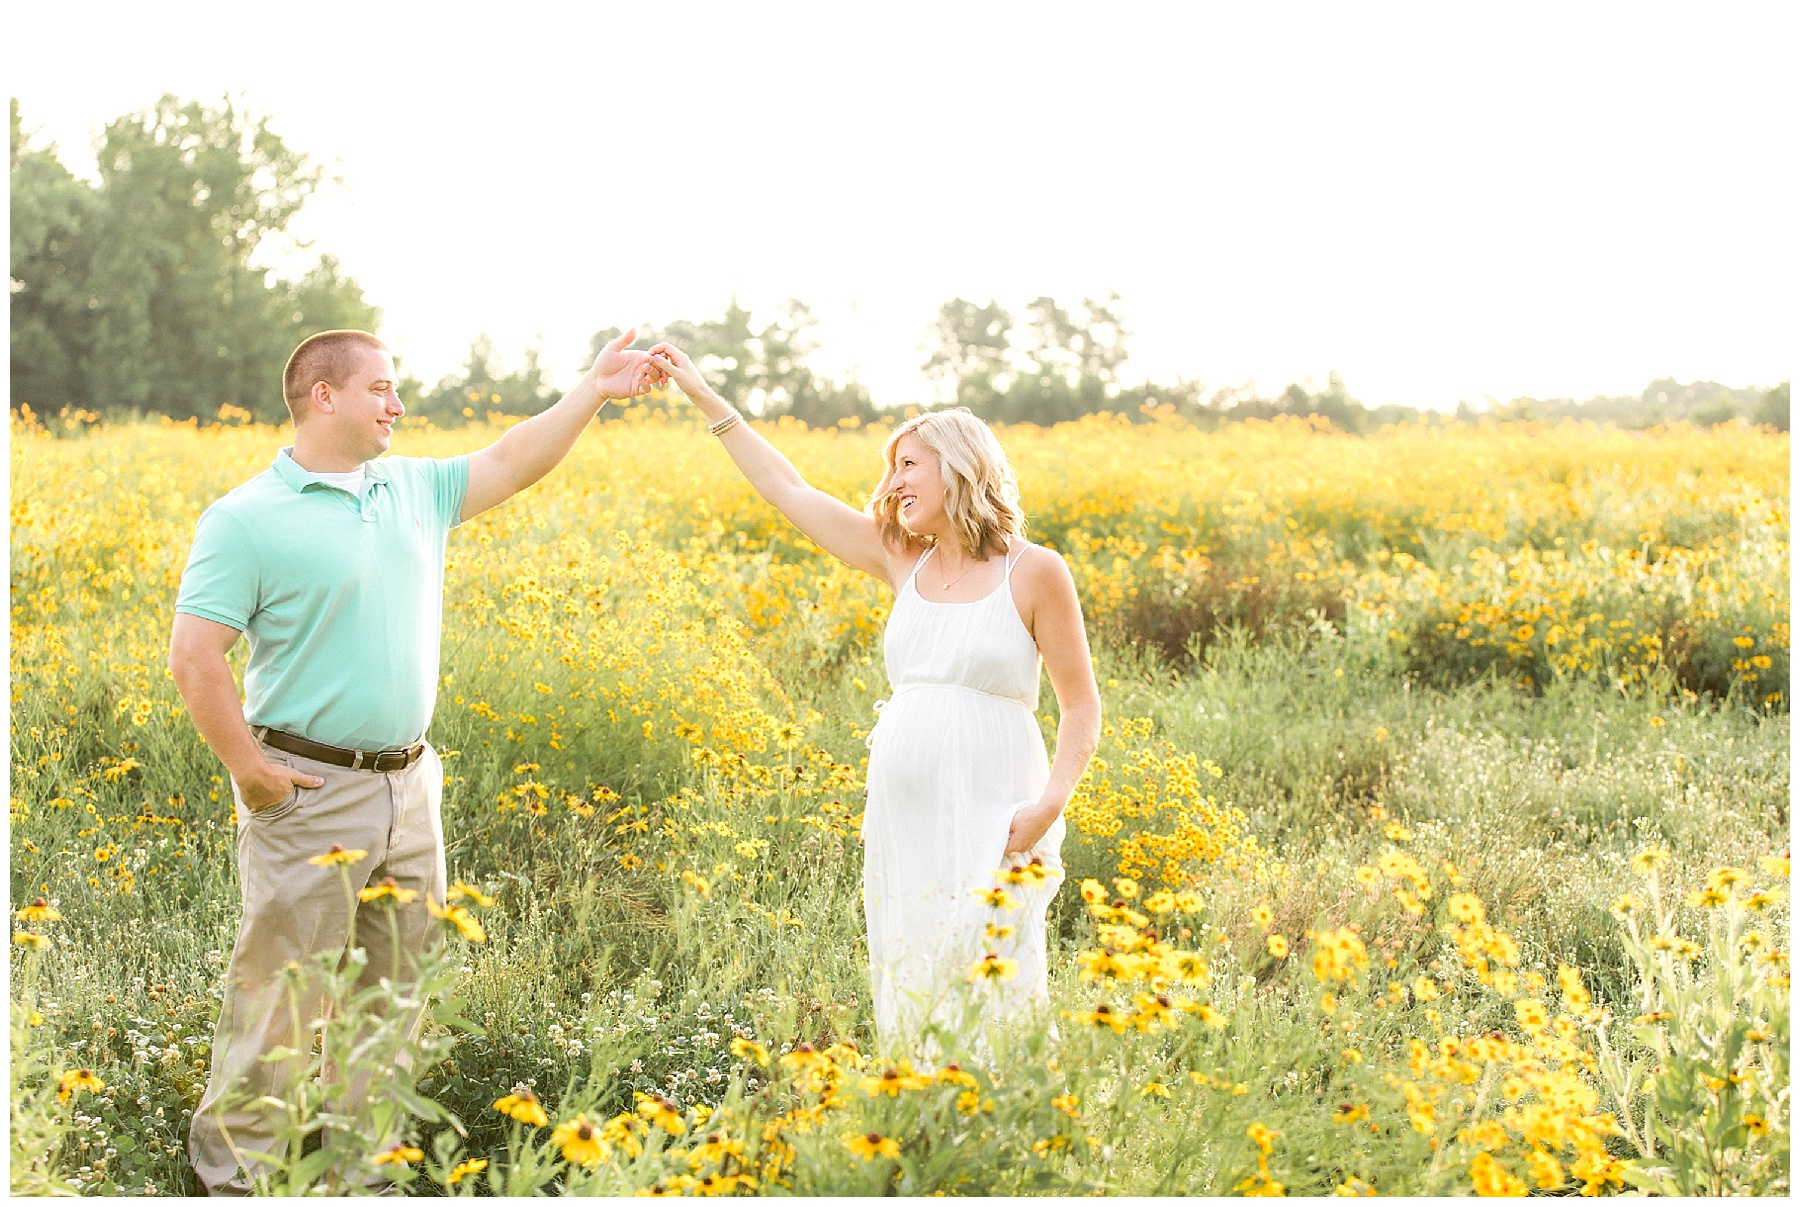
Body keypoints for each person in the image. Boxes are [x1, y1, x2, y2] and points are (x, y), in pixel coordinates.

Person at [169, 327, 663, 1193]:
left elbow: (513, 458)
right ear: (324, 396)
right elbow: (194, 656)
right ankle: (237, 1177)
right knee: (282, 995)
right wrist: (250, 771)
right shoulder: (246, 518)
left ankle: (364, 1174)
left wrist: (593, 388)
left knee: (391, 999)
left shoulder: (414, 487)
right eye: (381, 389)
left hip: (410, 786)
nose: (398, 405)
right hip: (309, 790)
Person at [646, 343, 1102, 1055]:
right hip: (906, 815)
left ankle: (1001, 1140)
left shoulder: (1036, 571)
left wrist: (1051, 802)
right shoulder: (902, 559)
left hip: (996, 804)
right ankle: (921, 1131)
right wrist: (705, 395)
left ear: (958, 466)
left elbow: (1081, 706)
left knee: (994, 969)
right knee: (915, 966)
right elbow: (788, 491)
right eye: (893, 468)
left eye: (908, 464)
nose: (892, 483)